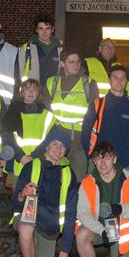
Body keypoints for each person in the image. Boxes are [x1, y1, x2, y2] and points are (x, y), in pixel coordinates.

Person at [9, 130, 79, 257]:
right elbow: (14, 203)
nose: (58, 148)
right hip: (28, 219)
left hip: (49, 225)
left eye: (63, 146)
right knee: (27, 223)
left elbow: (70, 214)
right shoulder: (31, 166)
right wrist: (21, 194)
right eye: (54, 143)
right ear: (46, 146)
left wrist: (66, 248)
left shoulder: (69, 175)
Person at [43, 47, 99, 180]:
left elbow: (95, 114)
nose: (76, 65)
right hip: (57, 138)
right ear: (62, 64)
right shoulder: (51, 83)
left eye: (78, 62)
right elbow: (46, 112)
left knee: (76, 179)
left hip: (80, 140)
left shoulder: (89, 83)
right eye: (71, 62)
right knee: (53, 178)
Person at [0, 78, 55, 189]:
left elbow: (50, 138)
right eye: (27, 89)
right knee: (18, 199)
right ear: (22, 92)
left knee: (37, 200)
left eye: (34, 90)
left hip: (39, 162)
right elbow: (7, 137)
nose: (30, 92)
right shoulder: (13, 112)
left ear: (38, 94)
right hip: (18, 162)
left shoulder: (46, 115)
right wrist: (21, 157)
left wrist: (34, 156)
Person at [81, 65, 129, 170]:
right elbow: (85, 133)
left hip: (124, 163)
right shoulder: (97, 105)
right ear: (109, 81)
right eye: (115, 77)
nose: (119, 81)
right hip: (99, 161)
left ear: (126, 81)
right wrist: (92, 156)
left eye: (123, 78)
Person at [17, 14, 63, 88]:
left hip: (54, 93)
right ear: (36, 30)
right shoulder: (25, 49)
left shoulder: (60, 49)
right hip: (33, 93)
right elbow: (18, 74)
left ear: (53, 29)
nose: (44, 32)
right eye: (41, 28)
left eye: (47, 28)